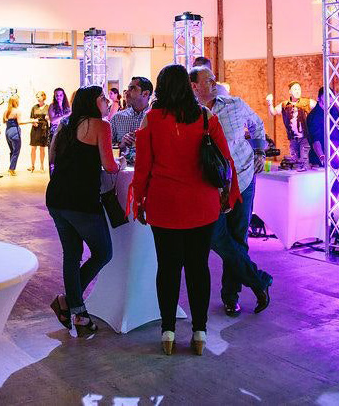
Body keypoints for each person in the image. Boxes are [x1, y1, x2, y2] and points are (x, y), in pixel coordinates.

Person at [127, 64, 239, 356]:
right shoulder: (205, 117)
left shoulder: (150, 121)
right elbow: (224, 159)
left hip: (164, 206)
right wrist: (227, 195)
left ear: (161, 88)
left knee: (168, 268)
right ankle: (200, 331)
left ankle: (167, 331)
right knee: (198, 268)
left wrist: (139, 201)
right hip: (202, 206)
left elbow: (142, 169)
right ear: (188, 87)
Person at [190, 66, 273, 317]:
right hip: (213, 186)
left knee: (238, 239)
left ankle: (230, 297)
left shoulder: (234, 104)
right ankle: (259, 281)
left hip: (244, 177)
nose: (213, 82)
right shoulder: (191, 114)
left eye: (213, 78)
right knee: (216, 237)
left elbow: (258, 125)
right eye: (207, 80)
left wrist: (260, 152)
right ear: (194, 87)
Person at [46, 85, 121, 337]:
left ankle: (74, 308)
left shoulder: (65, 125)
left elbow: (53, 160)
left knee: (72, 254)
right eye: (102, 97)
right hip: (81, 201)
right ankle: (71, 304)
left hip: (57, 197)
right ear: (92, 102)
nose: (106, 100)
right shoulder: (102, 126)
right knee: (103, 252)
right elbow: (109, 166)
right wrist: (121, 162)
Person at [266, 82, 311, 166]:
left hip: (304, 137)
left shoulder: (307, 102)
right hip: (293, 138)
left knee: (304, 161)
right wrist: (270, 103)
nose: (297, 91)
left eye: (299, 89)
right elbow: (273, 112)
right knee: (294, 162)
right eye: (295, 89)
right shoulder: (284, 105)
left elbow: (318, 106)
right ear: (290, 91)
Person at [110, 76, 153, 150]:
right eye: (128, 88)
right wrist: (121, 144)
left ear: (145, 94)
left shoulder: (155, 118)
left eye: (132, 88)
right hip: (124, 161)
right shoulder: (117, 118)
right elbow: (108, 146)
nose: (126, 92)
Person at [306, 87, 339, 167]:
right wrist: (321, 156)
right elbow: (315, 139)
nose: (329, 99)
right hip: (321, 158)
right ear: (318, 98)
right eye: (326, 96)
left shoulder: (334, 110)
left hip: (336, 154)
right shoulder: (314, 116)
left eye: (331, 96)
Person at [3, 94, 37, 176]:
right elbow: (20, 122)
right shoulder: (17, 111)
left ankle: (10, 167)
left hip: (7, 132)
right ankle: (12, 169)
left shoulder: (6, 111)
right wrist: (31, 121)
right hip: (15, 132)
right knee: (16, 151)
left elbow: (4, 121)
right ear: (15, 101)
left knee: (12, 151)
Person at [29, 91, 49, 172]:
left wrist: (48, 118)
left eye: (39, 96)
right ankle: (32, 165)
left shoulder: (48, 107)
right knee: (33, 148)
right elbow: (31, 118)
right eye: (36, 97)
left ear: (43, 97)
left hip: (43, 128)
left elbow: (50, 117)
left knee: (42, 148)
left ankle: (42, 166)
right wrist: (33, 122)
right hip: (35, 128)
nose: (37, 98)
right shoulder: (34, 107)